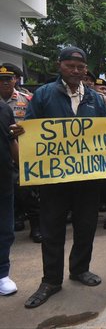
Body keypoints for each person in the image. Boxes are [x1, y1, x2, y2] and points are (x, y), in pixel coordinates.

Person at [12, 46, 106, 308]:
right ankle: (51, 280)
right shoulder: (43, 95)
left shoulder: (96, 99)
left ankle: (80, 269)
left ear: (85, 69)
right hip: (54, 179)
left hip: (88, 177)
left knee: (86, 225)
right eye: (70, 66)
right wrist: (20, 132)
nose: (76, 71)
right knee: (52, 228)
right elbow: (30, 130)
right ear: (60, 66)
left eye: (80, 67)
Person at [0, 65, 41, 243]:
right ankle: (16, 219)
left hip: (23, 151)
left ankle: (36, 226)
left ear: (15, 80)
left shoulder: (27, 99)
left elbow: (37, 123)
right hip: (3, 152)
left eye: (9, 79)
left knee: (28, 191)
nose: (5, 83)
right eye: (1, 80)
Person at [0, 86, 19, 296]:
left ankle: (2, 273)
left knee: (4, 230)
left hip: (3, 180)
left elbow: (12, 142)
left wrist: (28, 170)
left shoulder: (5, 110)